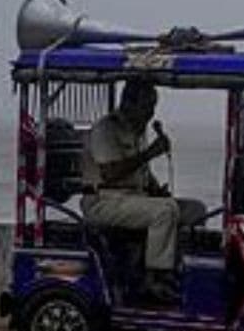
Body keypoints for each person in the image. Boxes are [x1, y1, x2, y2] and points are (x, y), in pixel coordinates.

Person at [81, 80, 205, 305]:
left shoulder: (137, 131)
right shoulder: (105, 129)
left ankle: (177, 269)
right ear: (128, 103)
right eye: (147, 107)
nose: (150, 114)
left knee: (195, 210)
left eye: (153, 107)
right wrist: (150, 153)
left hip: (133, 198)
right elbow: (111, 173)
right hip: (104, 201)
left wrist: (157, 190)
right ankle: (155, 279)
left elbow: (141, 173)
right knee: (164, 212)